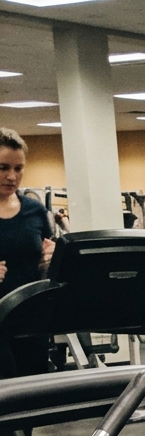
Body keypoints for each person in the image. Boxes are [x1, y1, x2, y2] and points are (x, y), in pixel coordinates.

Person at [0, 127, 55, 380]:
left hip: (30, 314)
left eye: (18, 168)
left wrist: (52, 259)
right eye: (3, 168)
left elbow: (43, 261)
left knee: (32, 392)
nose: (12, 176)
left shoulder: (34, 210)